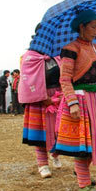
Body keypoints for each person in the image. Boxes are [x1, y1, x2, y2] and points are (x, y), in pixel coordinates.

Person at [52, 9, 96, 191]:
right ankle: (84, 182)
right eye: (93, 27)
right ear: (82, 26)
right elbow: (65, 79)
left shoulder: (95, 49)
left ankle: (82, 172)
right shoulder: (70, 49)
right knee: (83, 143)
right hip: (80, 99)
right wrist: (72, 102)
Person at [19, 42, 63, 179]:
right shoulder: (29, 58)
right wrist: (43, 97)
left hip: (57, 95)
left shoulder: (58, 56)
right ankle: (42, 164)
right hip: (37, 98)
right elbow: (27, 80)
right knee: (40, 133)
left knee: (60, 130)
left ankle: (55, 154)